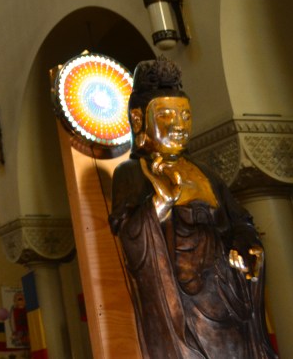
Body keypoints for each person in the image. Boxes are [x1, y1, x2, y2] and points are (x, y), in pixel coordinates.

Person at [109, 57, 276, 358]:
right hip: (181, 306)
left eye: (185, 116)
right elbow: (129, 237)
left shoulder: (206, 173)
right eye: (166, 115)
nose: (179, 126)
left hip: (226, 295)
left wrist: (245, 245)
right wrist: (160, 203)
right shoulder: (132, 173)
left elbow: (241, 221)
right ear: (138, 119)